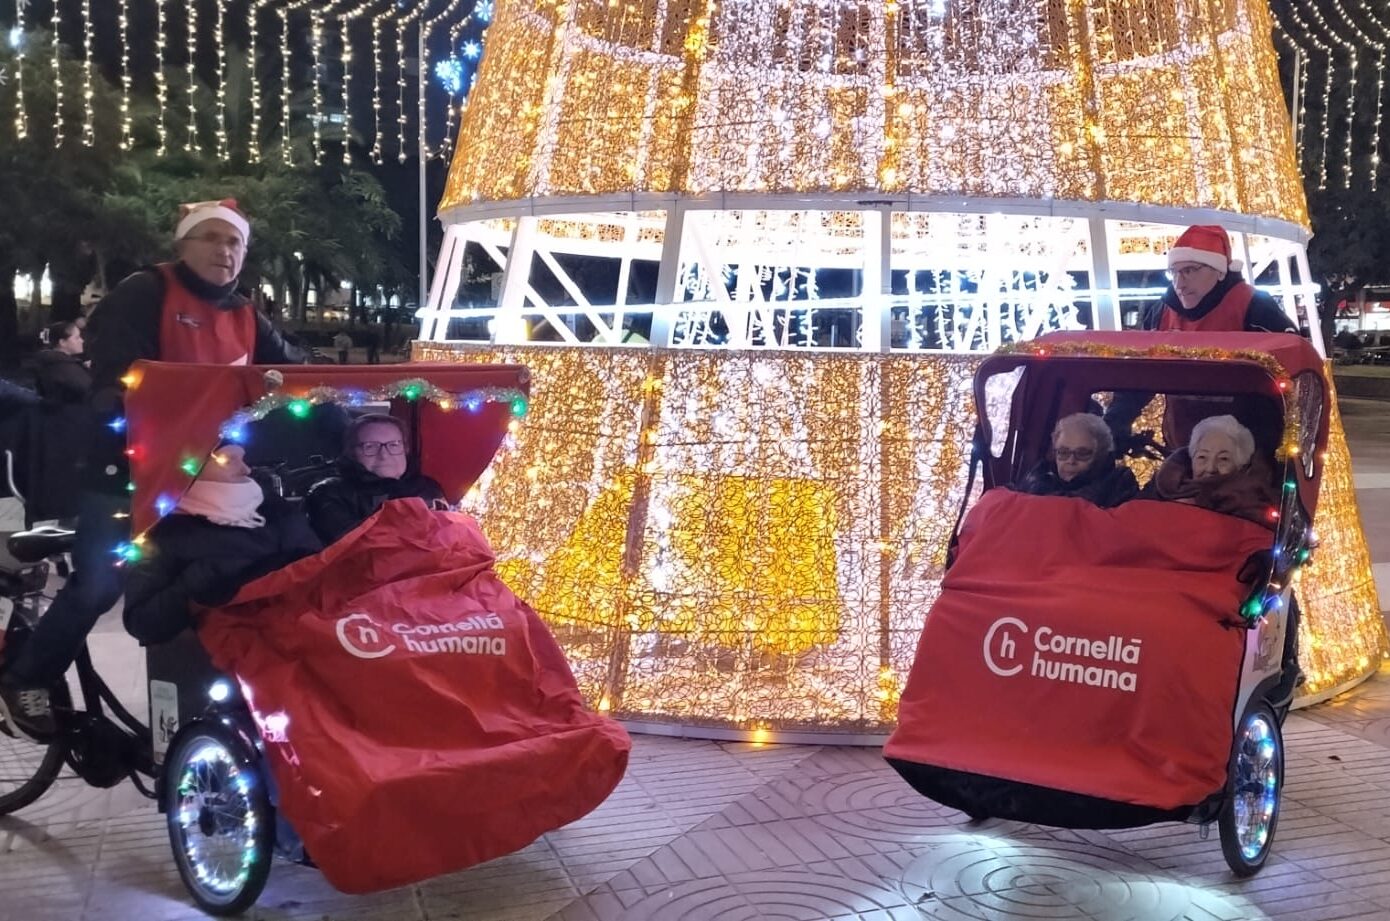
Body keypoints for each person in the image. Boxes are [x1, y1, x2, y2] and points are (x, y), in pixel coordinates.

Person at [0, 199, 308, 738]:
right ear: (182, 245)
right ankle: (25, 677)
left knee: (228, 575)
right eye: (211, 237)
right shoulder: (145, 292)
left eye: (235, 241)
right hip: (125, 472)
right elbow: (118, 380)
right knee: (99, 586)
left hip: (200, 476)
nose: (225, 250)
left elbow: (292, 369)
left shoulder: (244, 313)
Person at [1106, 225, 1299, 446]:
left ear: (1218, 271)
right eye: (1174, 272)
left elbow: (1289, 374)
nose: (1179, 284)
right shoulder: (1162, 312)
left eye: (1189, 271)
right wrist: (1113, 425)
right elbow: (1139, 373)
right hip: (1181, 445)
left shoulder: (1254, 307)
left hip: (1243, 449)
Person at [124, 445, 323, 645]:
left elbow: (319, 573)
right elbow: (142, 623)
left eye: (242, 458)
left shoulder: (274, 508)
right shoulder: (162, 534)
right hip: (230, 654)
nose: (246, 469)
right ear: (191, 469)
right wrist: (200, 579)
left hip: (308, 636)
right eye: (230, 460)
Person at [305, 413, 447, 545]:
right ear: (351, 452)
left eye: (394, 444)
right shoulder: (328, 493)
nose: (384, 455)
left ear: (405, 449)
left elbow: (446, 538)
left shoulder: (427, 488)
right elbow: (356, 546)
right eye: (370, 446)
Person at [1141, 415, 1278, 527]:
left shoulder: (1254, 506)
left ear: (1241, 466)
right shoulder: (1159, 491)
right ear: (1191, 459)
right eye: (1202, 457)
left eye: (1223, 459)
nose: (1210, 468)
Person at [1014, 412, 1138, 508]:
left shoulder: (1118, 488)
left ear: (1101, 456)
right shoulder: (1034, 482)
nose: (1071, 461)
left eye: (1082, 454)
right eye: (1063, 452)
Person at [33, 321, 91, 404]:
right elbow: (91, 392)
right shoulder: (67, 369)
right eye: (77, 338)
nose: (82, 340)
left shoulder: (50, 362)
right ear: (62, 342)